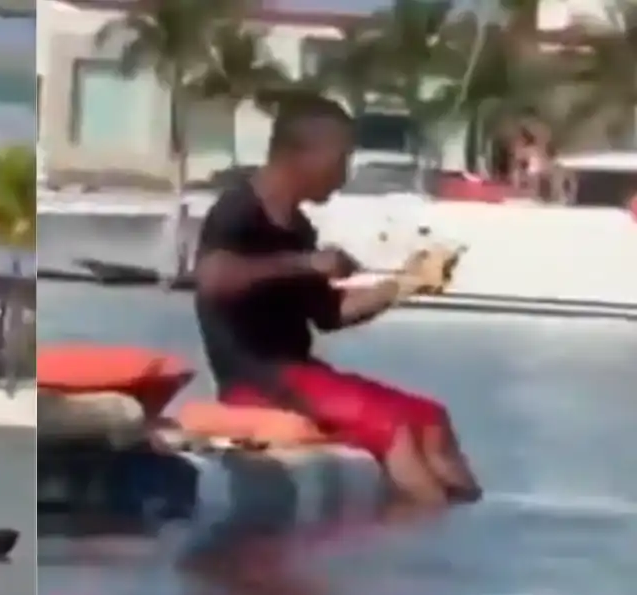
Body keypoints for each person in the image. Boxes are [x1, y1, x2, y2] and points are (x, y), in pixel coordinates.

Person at [193, 95, 481, 506]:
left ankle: (465, 530)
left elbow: (330, 315)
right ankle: (423, 558)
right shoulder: (237, 211)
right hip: (256, 380)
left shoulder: (300, 228)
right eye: (340, 159)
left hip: (302, 374)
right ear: (302, 156)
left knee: (432, 419)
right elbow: (212, 278)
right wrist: (307, 263)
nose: (344, 174)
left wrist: (405, 283)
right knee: (392, 426)